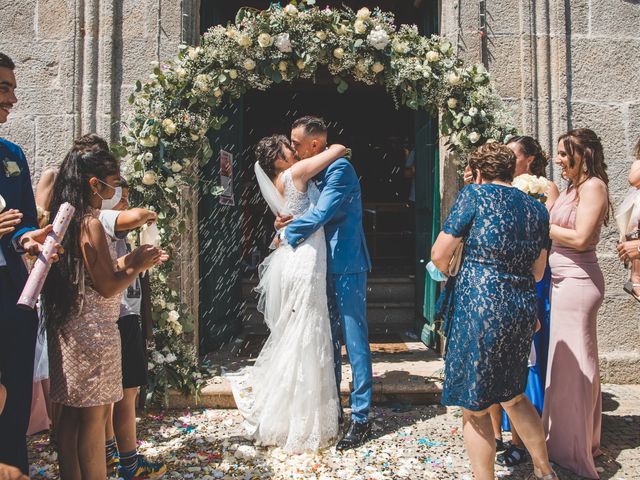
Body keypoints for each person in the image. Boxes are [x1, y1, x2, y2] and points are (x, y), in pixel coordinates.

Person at [431, 143, 556, 480]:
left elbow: (439, 255)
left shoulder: (474, 196)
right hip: (520, 307)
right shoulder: (536, 209)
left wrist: (464, 271)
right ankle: (544, 471)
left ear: (481, 172)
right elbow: (539, 271)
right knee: (513, 395)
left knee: (474, 407)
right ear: (512, 171)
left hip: (479, 307)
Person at [42, 148, 167, 480]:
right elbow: (109, 287)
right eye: (114, 183)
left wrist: (130, 260)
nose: (117, 190)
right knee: (95, 421)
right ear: (95, 184)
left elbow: (96, 273)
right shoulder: (92, 223)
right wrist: (137, 265)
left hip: (69, 326)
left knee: (69, 418)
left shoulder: (66, 217)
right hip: (94, 331)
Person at [228, 135, 346, 453]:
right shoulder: (296, 172)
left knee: (303, 328)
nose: (293, 150)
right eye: (287, 147)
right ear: (278, 158)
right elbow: (336, 151)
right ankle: (301, 418)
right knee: (308, 329)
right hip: (306, 254)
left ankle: (296, 411)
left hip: (296, 252)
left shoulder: (281, 180)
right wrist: (334, 147)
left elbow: (286, 218)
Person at [276, 116, 373, 450]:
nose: (292, 148)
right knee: (325, 338)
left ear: (314, 145)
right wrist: (284, 220)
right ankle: (334, 409)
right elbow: (304, 209)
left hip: (346, 263)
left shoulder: (340, 170)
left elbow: (323, 213)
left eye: (296, 142)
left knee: (354, 339)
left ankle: (362, 416)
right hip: (317, 265)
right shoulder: (313, 170)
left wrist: (286, 233)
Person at [0, 51, 62, 475]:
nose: (13, 99)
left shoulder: (13, 154)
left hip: (12, 297)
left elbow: (20, 223)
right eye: (4, 88)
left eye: (13, 89)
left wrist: (30, 240)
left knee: (16, 396)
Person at [542, 128, 609, 479]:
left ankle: (577, 447)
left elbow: (582, 238)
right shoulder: (571, 189)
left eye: (564, 154)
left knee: (578, 364)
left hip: (580, 283)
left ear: (583, 155)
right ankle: (560, 440)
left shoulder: (595, 187)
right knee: (563, 362)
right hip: (559, 280)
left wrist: (544, 223)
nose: (558, 160)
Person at [491, 135, 560, 466]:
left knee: (528, 353)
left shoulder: (545, 187)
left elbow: (547, 230)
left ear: (529, 159)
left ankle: (528, 433)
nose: (507, 156)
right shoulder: (502, 185)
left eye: (513, 153)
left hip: (533, 272)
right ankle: (505, 429)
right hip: (509, 274)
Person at [99, 179, 166, 479]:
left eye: (128, 198)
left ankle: (111, 453)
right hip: (120, 315)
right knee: (126, 396)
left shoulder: (113, 231)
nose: (125, 204)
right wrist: (148, 214)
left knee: (118, 395)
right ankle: (129, 463)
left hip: (129, 314)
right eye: (120, 197)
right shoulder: (103, 220)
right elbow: (135, 217)